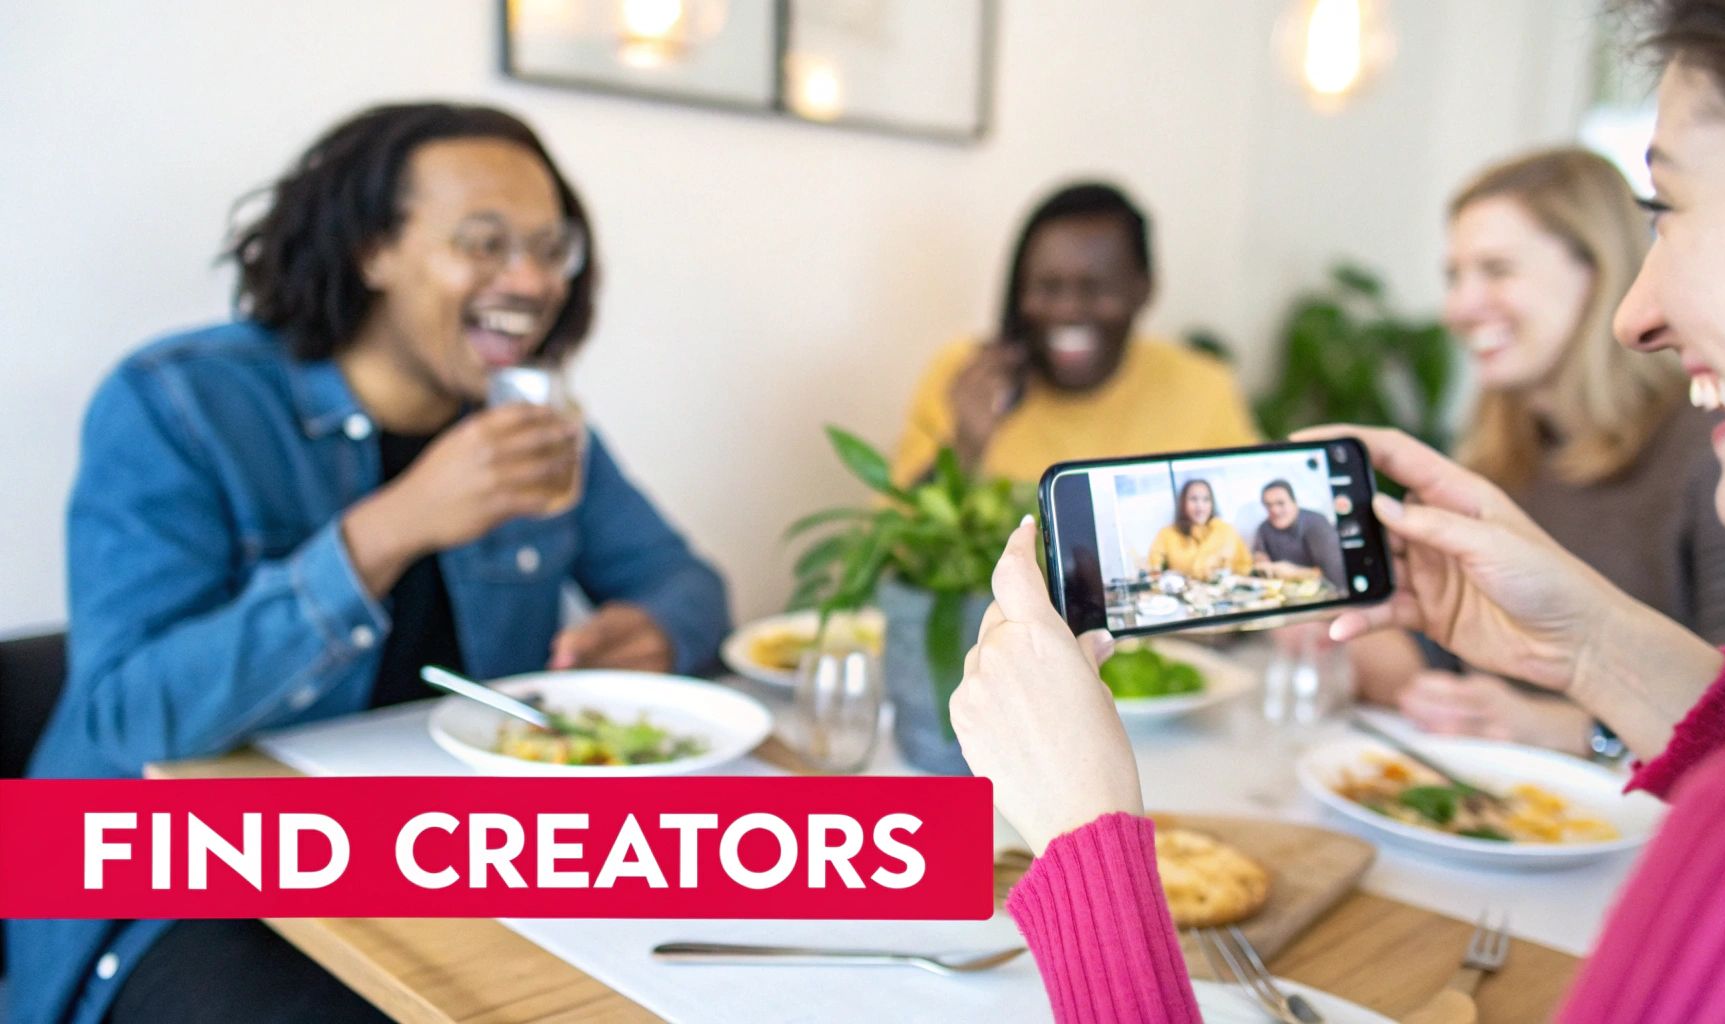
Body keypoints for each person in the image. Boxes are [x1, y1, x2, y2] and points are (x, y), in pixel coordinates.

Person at [949, 1, 1725, 1019]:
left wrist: (1081, 834)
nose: (1639, 312)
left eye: (1670, 208)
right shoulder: (1504, 454)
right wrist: (1589, 650)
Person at [10, 103, 731, 1024]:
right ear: (371, 250)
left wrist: (658, 629)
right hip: (171, 882)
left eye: (552, 249)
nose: (532, 280)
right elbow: (130, 716)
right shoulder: (179, 403)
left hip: (433, 864)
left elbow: (688, 583)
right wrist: (388, 531)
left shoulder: (527, 423)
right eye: (486, 243)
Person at [1352, 145, 1725, 756]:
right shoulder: (1500, 458)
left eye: (1496, 270)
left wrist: (1571, 730)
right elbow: (1437, 662)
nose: (1458, 308)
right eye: (1455, 276)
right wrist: (1327, 623)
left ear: (1598, 273)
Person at [889, 182, 1257, 486]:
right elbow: (892, 540)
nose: (1067, 310)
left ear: (1143, 289)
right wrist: (963, 448)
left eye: (1095, 289)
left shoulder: (1203, 387)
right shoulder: (961, 375)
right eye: (1047, 287)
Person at [1146, 479, 1251, 578]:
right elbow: (1154, 568)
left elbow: (1245, 567)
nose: (1200, 506)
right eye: (1193, 499)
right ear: (1183, 503)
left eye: (1206, 499)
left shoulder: (1226, 530)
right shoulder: (1167, 533)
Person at [1250, 479, 1344, 588]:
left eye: (1280, 503)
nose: (1274, 510)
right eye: (1268, 505)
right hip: (1285, 591)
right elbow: (1259, 554)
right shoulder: (1264, 527)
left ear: (1295, 502)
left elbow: (1335, 574)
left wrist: (1296, 573)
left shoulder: (1316, 524)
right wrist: (1260, 561)